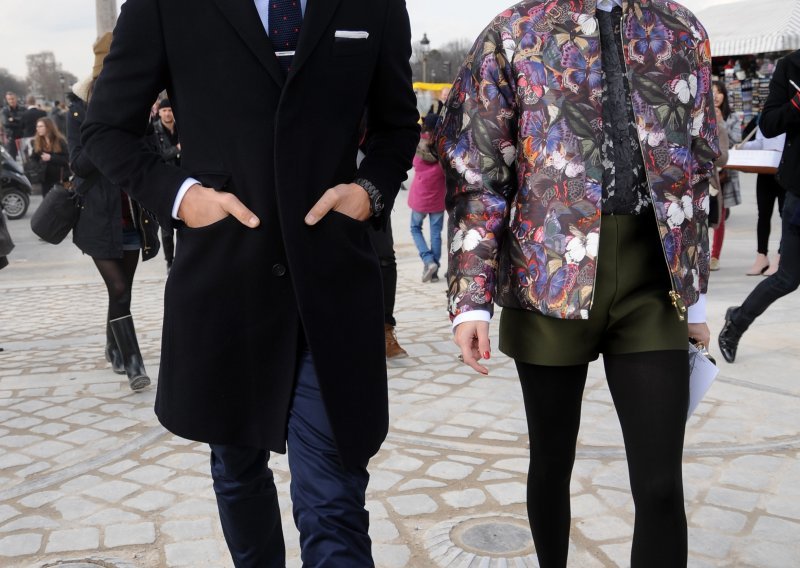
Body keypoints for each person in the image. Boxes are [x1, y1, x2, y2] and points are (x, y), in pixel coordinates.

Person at [81, 1, 419, 566]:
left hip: (329, 288)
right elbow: (106, 128)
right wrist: (182, 197)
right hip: (225, 283)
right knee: (237, 473)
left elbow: (398, 127)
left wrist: (370, 191)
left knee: (333, 498)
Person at [436, 1, 719, 567]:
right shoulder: (515, 32)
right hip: (547, 275)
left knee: (661, 483)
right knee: (551, 461)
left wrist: (693, 298)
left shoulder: (679, 28)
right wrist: (471, 302)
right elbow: (479, 173)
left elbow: (698, 162)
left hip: (652, 280)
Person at [67, 32, 161, 392]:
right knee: (118, 287)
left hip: (132, 214)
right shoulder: (78, 110)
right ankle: (134, 364)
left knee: (122, 292)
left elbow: (151, 155)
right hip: (97, 216)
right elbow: (78, 164)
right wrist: (105, 135)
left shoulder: (135, 109)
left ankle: (113, 346)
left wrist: (134, 128)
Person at [719, 49, 800, 363]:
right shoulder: (790, 67)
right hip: (799, 192)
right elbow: (768, 124)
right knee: (787, 278)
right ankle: (736, 322)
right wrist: (797, 103)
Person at [739, 126, 786, 275]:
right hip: (765, 169)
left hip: (786, 170)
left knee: (785, 214)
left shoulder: (792, 116)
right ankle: (761, 255)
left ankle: (781, 255)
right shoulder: (767, 118)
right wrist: (741, 146)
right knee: (763, 214)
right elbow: (760, 142)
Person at [409, 113, 446, 283]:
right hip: (438, 198)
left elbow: (412, 164)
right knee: (435, 233)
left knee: (415, 228)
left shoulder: (418, 145)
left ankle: (428, 260)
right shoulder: (443, 147)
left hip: (420, 197)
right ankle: (434, 271)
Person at [709, 81, 742, 271]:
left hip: (726, 174)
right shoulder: (703, 115)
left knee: (720, 216)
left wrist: (721, 123)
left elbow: (736, 140)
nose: (716, 96)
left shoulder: (732, 117)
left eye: (719, 92)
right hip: (709, 174)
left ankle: (715, 256)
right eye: (712, 91)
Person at [152, 97, 180, 271]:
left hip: (184, 178)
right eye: (164, 110)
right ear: (159, 112)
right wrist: (177, 149)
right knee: (167, 225)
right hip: (165, 181)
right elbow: (157, 155)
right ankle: (170, 261)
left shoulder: (181, 127)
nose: (168, 113)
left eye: (170, 110)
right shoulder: (154, 131)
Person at [28, 117, 69, 198]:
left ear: (48, 127)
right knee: (47, 201)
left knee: (64, 200)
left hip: (62, 178)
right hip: (45, 178)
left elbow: (67, 159)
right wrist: (37, 167)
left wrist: (51, 158)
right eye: (37, 126)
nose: (37, 129)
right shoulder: (37, 141)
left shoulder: (60, 140)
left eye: (40, 126)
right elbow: (33, 158)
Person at [1, 92, 24, 160]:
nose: (11, 101)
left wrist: (13, 120)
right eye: (9, 99)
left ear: (16, 98)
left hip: (23, 137)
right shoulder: (4, 111)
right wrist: (19, 121)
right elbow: (6, 124)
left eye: (12, 98)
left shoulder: (23, 109)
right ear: (7, 100)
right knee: (12, 159)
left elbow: (25, 121)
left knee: (26, 158)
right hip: (11, 138)